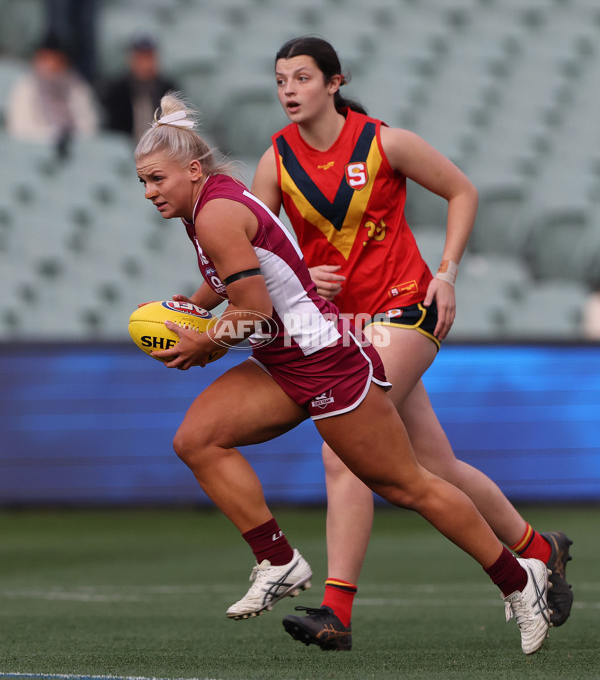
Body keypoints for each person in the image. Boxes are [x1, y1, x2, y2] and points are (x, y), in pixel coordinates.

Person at [134, 91, 551, 656]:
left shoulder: (213, 215)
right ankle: (278, 560)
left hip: (325, 360)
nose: (150, 192)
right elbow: (241, 287)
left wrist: (203, 342)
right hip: (282, 361)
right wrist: (198, 309)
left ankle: (519, 578)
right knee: (197, 439)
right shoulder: (207, 207)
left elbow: (253, 310)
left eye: (157, 179)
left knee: (412, 486)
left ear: (192, 169)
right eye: (143, 182)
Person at [251, 36, 573, 651]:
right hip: (344, 332)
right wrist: (294, 272)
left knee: (343, 446)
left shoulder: (383, 142)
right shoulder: (275, 161)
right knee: (433, 466)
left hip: (407, 309)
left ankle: (337, 613)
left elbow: (463, 191)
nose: (289, 89)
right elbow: (261, 250)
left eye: (301, 77)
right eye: (280, 80)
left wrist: (446, 273)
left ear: (334, 82)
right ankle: (539, 549)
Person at [5, 33, 99, 157]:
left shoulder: (77, 86)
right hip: (32, 155)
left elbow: (90, 126)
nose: (49, 64)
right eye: (44, 58)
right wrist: (54, 136)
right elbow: (19, 128)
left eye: (54, 59)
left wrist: (67, 139)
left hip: (76, 154)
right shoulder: (25, 86)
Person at [102, 35, 178, 143]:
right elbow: (114, 130)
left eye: (149, 58)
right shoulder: (117, 91)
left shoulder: (168, 90)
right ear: (131, 60)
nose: (146, 64)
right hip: (126, 149)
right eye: (141, 58)